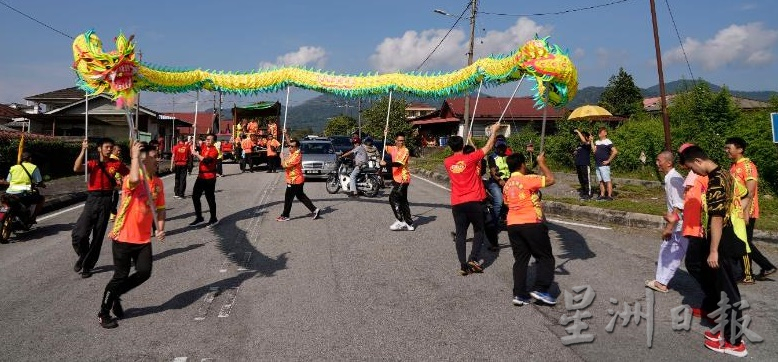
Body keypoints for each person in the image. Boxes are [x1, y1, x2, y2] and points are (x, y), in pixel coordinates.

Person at [680, 145, 749, 357]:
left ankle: (734, 343)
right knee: (723, 290)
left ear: (698, 162)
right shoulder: (726, 174)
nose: (694, 173)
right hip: (730, 238)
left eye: (692, 168)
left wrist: (713, 251)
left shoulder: (715, 182)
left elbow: (716, 218)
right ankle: (726, 332)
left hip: (723, 244)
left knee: (729, 294)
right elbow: (744, 197)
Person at [97, 140, 166, 329]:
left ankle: (116, 294)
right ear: (144, 161)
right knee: (121, 275)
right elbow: (134, 178)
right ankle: (104, 312)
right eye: (153, 158)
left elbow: (160, 209)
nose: (157, 160)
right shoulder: (131, 179)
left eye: (156, 157)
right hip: (124, 237)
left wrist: (160, 227)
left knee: (144, 272)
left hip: (143, 239)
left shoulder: (158, 183)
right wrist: (134, 156)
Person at [444, 123, 501, 275]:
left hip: (457, 203)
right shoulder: (471, 158)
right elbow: (488, 147)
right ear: (463, 146)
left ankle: (463, 265)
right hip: (474, 201)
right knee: (479, 230)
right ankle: (473, 258)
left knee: (461, 234)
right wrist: (494, 131)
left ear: (450, 148)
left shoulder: (447, 162)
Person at [503, 151, 557, 306]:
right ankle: (541, 288)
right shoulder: (527, 179)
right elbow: (551, 179)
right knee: (545, 257)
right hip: (531, 222)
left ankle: (519, 294)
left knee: (520, 260)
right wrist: (541, 163)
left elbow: (507, 203)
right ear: (522, 165)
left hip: (513, 224)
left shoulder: (507, 185)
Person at [72, 138, 129, 278]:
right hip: (92, 199)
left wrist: (122, 184)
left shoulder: (116, 163)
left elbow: (127, 174)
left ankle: (87, 266)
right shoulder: (93, 163)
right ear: (99, 149)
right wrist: (83, 150)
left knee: (98, 236)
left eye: (111, 147)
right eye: (106, 147)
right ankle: (84, 256)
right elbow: (77, 168)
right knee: (79, 234)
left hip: (106, 200)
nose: (109, 149)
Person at [725, 137, 776, 283]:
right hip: (736, 210)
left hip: (747, 210)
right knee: (741, 241)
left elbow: (750, 191)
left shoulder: (747, 166)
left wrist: (745, 212)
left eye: (729, 148)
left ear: (740, 149)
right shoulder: (733, 166)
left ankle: (751, 273)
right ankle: (759, 269)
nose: (726, 151)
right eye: (726, 148)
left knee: (743, 241)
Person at [677, 143, 715, 320]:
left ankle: (714, 301)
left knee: (695, 265)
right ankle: (710, 304)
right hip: (692, 226)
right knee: (698, 266)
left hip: (700, 229)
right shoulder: (694, 175)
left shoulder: (703, 176)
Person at [645, 151, 688, 293]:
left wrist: (670, 227)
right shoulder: (671, 177)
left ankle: (661, 282)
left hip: (679, 223)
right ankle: (661, 282)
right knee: (673, 252)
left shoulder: (674, 179)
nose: (657, 163)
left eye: (659, 160)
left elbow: (679, 205)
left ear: (669, 163)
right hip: (681, 223)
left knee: (668, 251)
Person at [277, 136, 320, 221]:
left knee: (288, 198)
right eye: (289, 146)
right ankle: (315, 210)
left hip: (294, 181)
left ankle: (285, 215)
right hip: (297, 180)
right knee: (301, 196)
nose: (289, 147)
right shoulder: (294, 152)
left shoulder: (296, 156)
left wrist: (281, 157)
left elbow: (284, 165)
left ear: (296, 148)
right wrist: (286, 135)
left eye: (292, 146)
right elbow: (291, 143)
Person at [381, 131, 414, 230]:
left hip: (403, 179)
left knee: (392, 199)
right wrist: (384, 134)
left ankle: (400, 220)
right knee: (403, 201)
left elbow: (398, 164)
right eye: (399, 141)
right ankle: (409, 224)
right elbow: (384, 146)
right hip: (397, 178)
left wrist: (385, 164)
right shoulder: (393, 148)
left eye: (403, 141)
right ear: (395, 141)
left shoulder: (405, 150)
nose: (401, 142)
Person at [4, 152, 46, 223]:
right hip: (23, 193)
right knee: (41, 198)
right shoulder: (33, 167)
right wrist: (42, 185)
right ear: (30, 159)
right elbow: (39, 182)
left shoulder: (14, 167)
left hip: (9, 192)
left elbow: (8, 181)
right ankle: (33, 218)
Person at [190, 133, 219, 227]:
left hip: (210, 178)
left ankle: (213, 218)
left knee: (210, 198)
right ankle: (199, 217)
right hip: (200, 177)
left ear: (214, 141)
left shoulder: (214, 151)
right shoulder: (203, 147)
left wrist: (197, 155)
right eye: (207, 139)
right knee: (195, 196)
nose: (207, 141)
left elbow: (207, 161)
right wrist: (196, 127)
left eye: (209, 139)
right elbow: (197, 139)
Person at [486, 141, 509, 224]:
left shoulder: (508, 157)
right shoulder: (492, 157)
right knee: (499, 201)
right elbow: (493, 171)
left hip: (509, 182)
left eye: (503, 147)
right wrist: (499, 180)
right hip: (495, 182)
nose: (501, 149)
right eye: (499, 147)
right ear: (496, 148)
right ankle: (494, 222)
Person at [593, 127, 617, 200]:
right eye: (600, 132)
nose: (601, 133)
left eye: (603, 132)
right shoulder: (597, 142)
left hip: (604, 165)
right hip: (598, 164)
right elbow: (594, 151)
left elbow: (615, 151)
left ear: (605, 133)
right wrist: (591, 141)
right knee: (601, 181)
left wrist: (608, 161)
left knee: (607, 180)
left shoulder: (608, 141)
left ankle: (609, 196)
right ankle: (602, 194)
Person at [573, 129, 593, 200]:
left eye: (583, 136)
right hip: (578, 164)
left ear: (587, 137)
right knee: (581, 179)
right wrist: (575, 153)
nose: (581, 137)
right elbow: (576, 152)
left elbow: (584, 141)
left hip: (585, 164)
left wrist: (578, 132)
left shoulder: (588, 143)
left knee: (586, 179)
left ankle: (589, 194)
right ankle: (584, 192)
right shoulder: (579, 145)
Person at [109, 145, 123, 221]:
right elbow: (115, 171)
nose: (119, 152)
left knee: (114, 197)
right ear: (113, 150)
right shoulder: (113, 158)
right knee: (115, 197)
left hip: (115, 180)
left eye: (120, 151)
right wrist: (118, 179)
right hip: (114, 181)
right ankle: (113, 214)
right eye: (118, 150)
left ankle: (113, 214)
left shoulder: (115, 158)